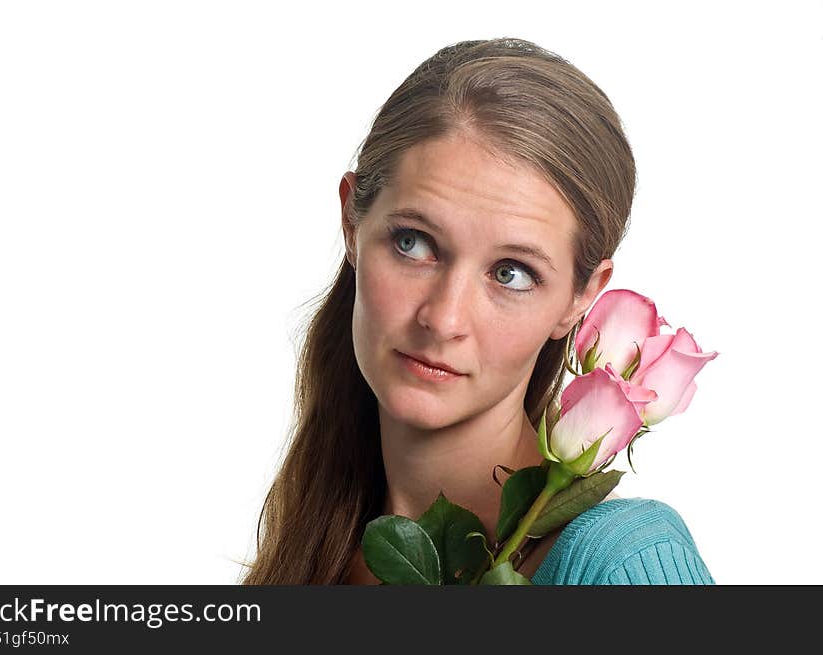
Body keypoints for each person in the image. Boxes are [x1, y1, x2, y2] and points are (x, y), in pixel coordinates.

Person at [238, 37, 714, 585]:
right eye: (413, 243)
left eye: (511, 273)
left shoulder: (623, 564)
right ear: (351, 222)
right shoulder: (308, 551)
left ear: (582, 296)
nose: (443, 320)